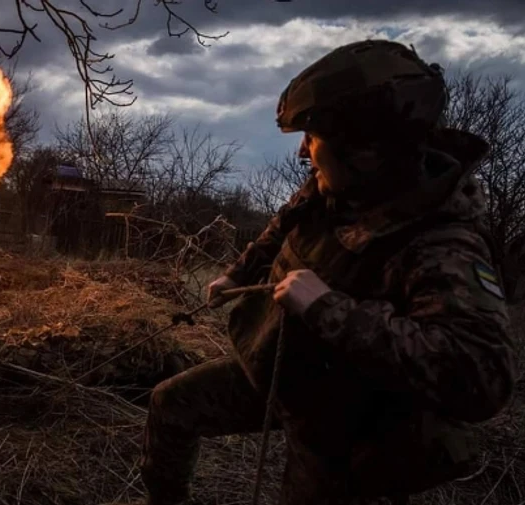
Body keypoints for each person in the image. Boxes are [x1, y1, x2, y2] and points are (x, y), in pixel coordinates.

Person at [134, 40, 516, 505]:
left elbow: (483, 379)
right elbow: (284, 224)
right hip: (283, 366)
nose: (303, 152)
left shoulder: (443, 245)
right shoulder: (335, 185)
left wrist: (329, 308)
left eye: (314, 139)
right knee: (170, 404)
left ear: (367, 152)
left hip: (349, 429)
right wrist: (239, 274)